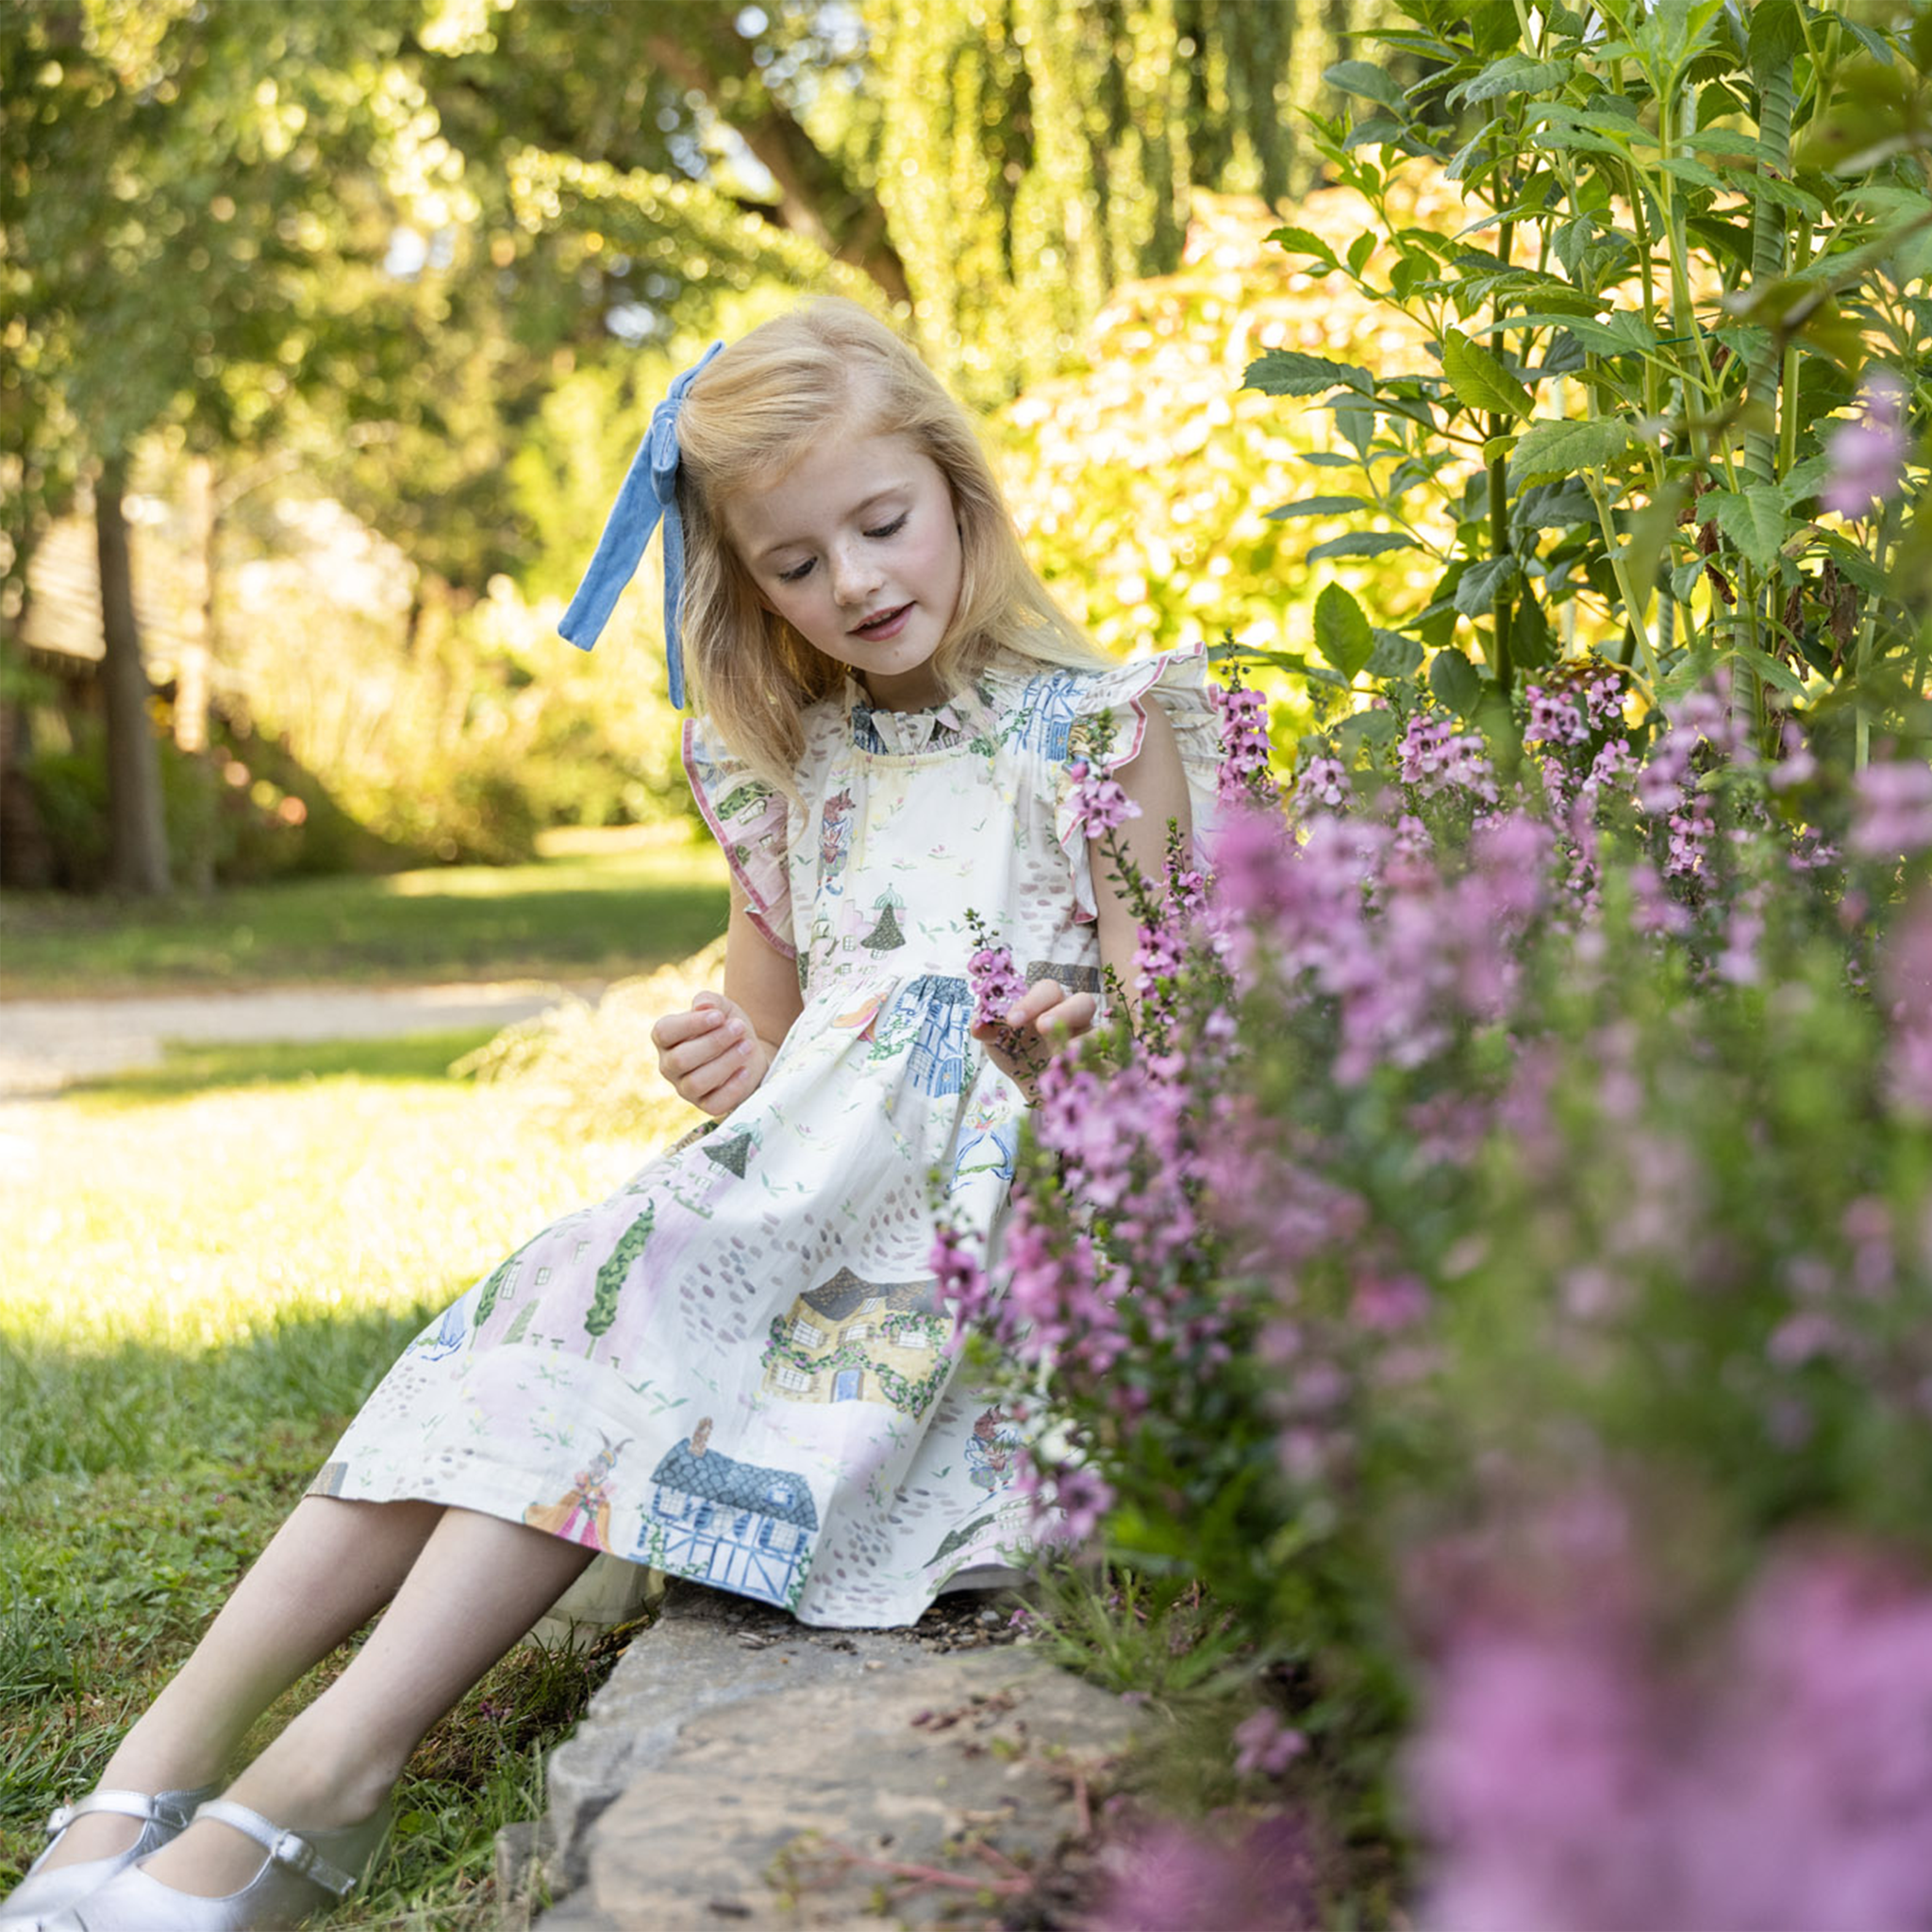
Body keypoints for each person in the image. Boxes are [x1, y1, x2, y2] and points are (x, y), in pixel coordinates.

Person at [2, 296, 1224, 1932]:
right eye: (796, 562)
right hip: (786, 1199)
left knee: (608, 1333)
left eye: (883, 525)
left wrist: (1082, 1047)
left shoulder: (1105, 728)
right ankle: (159, 1763)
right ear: (742, 579)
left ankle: (325, 1785)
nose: (855, 583)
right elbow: (772, 1027)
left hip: (965, 1248)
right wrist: (725, 1053)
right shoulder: (787, 764)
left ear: (958, 492)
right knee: (522, 1332)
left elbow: (1187, 1029)